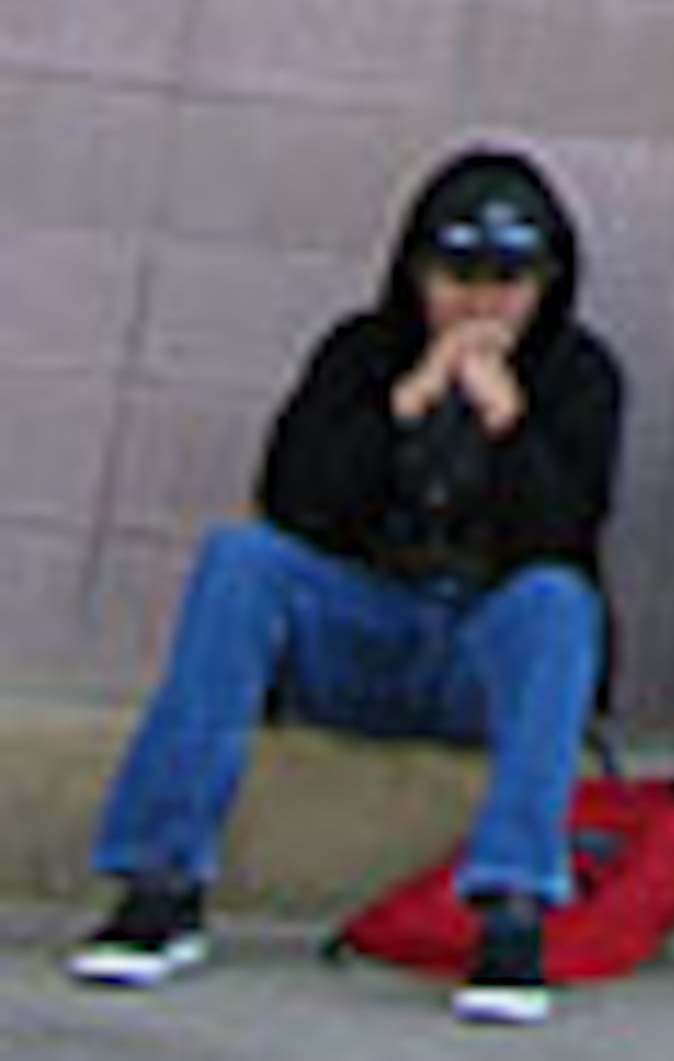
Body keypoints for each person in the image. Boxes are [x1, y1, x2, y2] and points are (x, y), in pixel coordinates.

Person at [72, 143, 619, 1029]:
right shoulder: (362, 352)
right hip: (365, 632)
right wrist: (406, 403)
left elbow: (567, 533)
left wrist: (507, 422)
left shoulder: (580, 374)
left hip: (478, 656)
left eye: (511, 278)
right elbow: (294, 501)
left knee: (559, 603)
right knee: (239, 560)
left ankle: (514, 906)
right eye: (458, 273)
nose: (481, 301)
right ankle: (161, 880)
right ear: (415, 271)